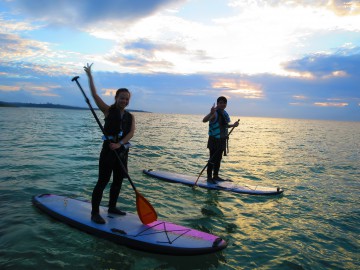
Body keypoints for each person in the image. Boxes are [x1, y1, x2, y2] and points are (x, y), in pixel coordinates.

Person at [84, 63, 135, 224]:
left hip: (121, 151)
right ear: (116, 98)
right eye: (122, 98)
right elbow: (94, 95)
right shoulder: (107, 110)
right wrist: (90, 76)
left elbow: (131, 133)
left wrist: (120, 144)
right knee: (103, 181)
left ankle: (112, 207)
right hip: (108, 151)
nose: (124, 101)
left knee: (118, 181)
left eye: (127, 99)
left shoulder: (130, 116)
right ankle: (94, 212)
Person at [202, 96, 239, 183]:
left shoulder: (224, 114)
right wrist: (211, 113)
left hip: (222, 140)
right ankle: (209, 177)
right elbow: (204, 120)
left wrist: (233, 125)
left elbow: (224, 126)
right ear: (217, 103)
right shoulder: (215, 113)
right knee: (212, 159)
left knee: (218, 159)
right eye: (220, 103)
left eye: (224, 103)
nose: (222, 104)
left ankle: (216, 176)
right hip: (214, 140)